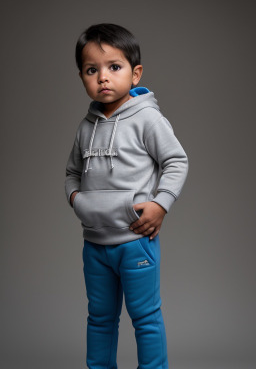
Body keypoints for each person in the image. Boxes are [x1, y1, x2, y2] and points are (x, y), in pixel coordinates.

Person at [65, 23, 189, 369]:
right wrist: (77, 199)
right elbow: (71, 173)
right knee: (100, 319)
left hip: (135, 240)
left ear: (135, 74)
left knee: (145, 319)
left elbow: (176, 161)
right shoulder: (85, 126)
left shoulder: (148, 118)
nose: (103, 77)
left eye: (113, 67)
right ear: (82, 77)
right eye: (92, 70)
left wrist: (160, 204)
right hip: (95, 243)